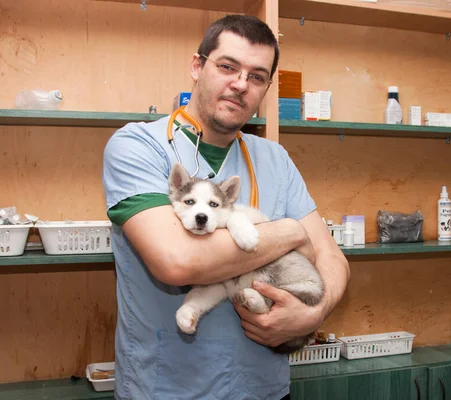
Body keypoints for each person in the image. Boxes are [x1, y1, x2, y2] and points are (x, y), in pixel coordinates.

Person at [102, 14, 350, 400]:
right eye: (228, 67)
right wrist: (290, 232)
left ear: (266, 87)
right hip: (166, 390)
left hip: (263, 389)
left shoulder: (275, 158)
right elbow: (177, 262)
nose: (240, 85)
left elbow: (333, 258)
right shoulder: (139, 147)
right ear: (197, 67)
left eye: (257, 76)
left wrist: (314, 313)